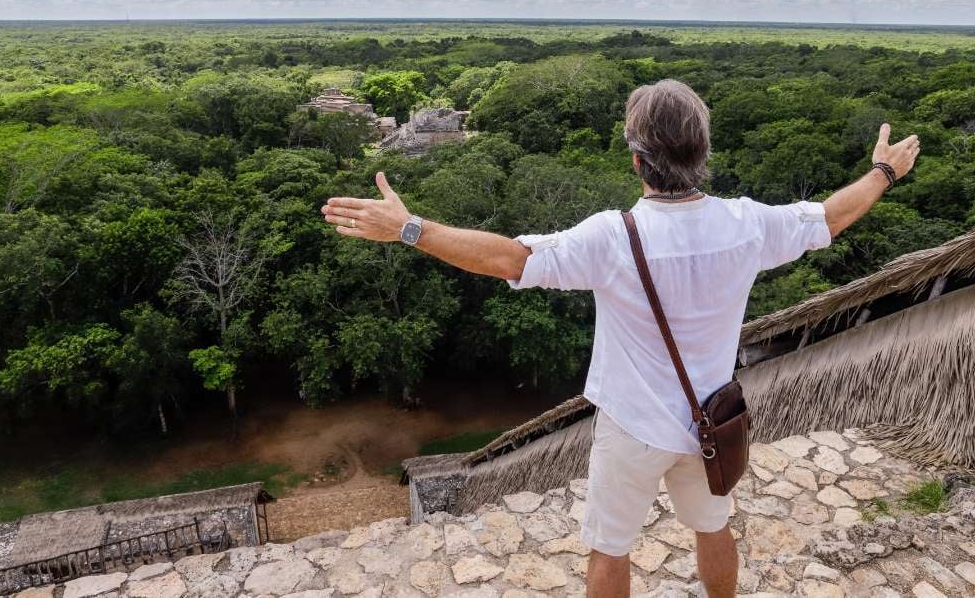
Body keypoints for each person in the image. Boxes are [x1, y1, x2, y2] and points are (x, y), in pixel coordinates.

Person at [321, 79, 920, 598]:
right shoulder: (746, 224)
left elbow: (509, 259)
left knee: (610, 549)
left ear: (637, 161)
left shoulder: (612, 238)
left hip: (632, 426)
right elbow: (831, 216)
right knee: (713, 528)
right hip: (711, 421)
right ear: (702, 152)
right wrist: (885, 171)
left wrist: (409, 228)